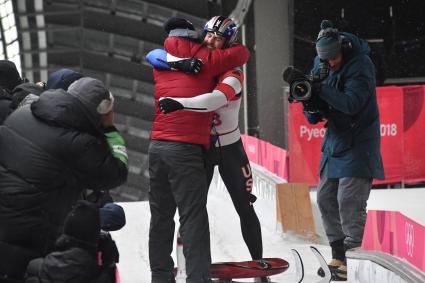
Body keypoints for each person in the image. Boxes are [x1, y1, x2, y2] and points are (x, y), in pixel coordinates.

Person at [147, 15, 264, 276]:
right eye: (208, 35)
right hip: (203, 149)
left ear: (228, 42)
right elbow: (155, 54)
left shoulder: (232, 71)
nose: (211, 41)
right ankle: (190, 267)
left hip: (230, 149)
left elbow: (215, 99)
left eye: (218, 38)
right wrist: (184, 63)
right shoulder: (199, 64)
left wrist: (181, 102)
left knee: (244, 207)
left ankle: (260, 267)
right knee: (191, 211)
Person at [0, 77, 128, 281]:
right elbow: (118, 172)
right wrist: (110, 129)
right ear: (100, 112)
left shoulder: (23, 113)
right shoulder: (80, 143)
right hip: (29, 235)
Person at [304, 20, 384, 280]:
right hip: (335, 141)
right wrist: (310, 104)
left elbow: (351, 104)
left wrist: (321, 90)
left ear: (342, 50)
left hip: (360, 142)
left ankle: (354, 257)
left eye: (334, 59)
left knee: (349, 201)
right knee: (326, 198)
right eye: (324, 61)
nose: (329, 65)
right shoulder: (322, 61)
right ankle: (338, 255)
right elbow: (313, 103)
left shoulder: (361, 65)